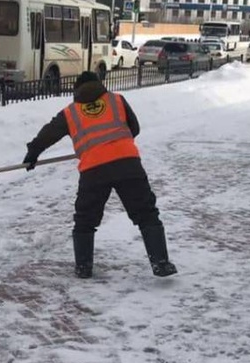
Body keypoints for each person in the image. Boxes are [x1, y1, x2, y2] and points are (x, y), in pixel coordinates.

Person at [22, 71, 176, 280]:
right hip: (128, 164)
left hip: (93, 170)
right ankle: (161, 262)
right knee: (146, 213)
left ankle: (83, 267)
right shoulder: (116, 100)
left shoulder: (70, 112)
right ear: (99, 84)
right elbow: (134, 128)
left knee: (85, 218)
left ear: (76, 90)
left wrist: (32, 154)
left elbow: (48, 133)